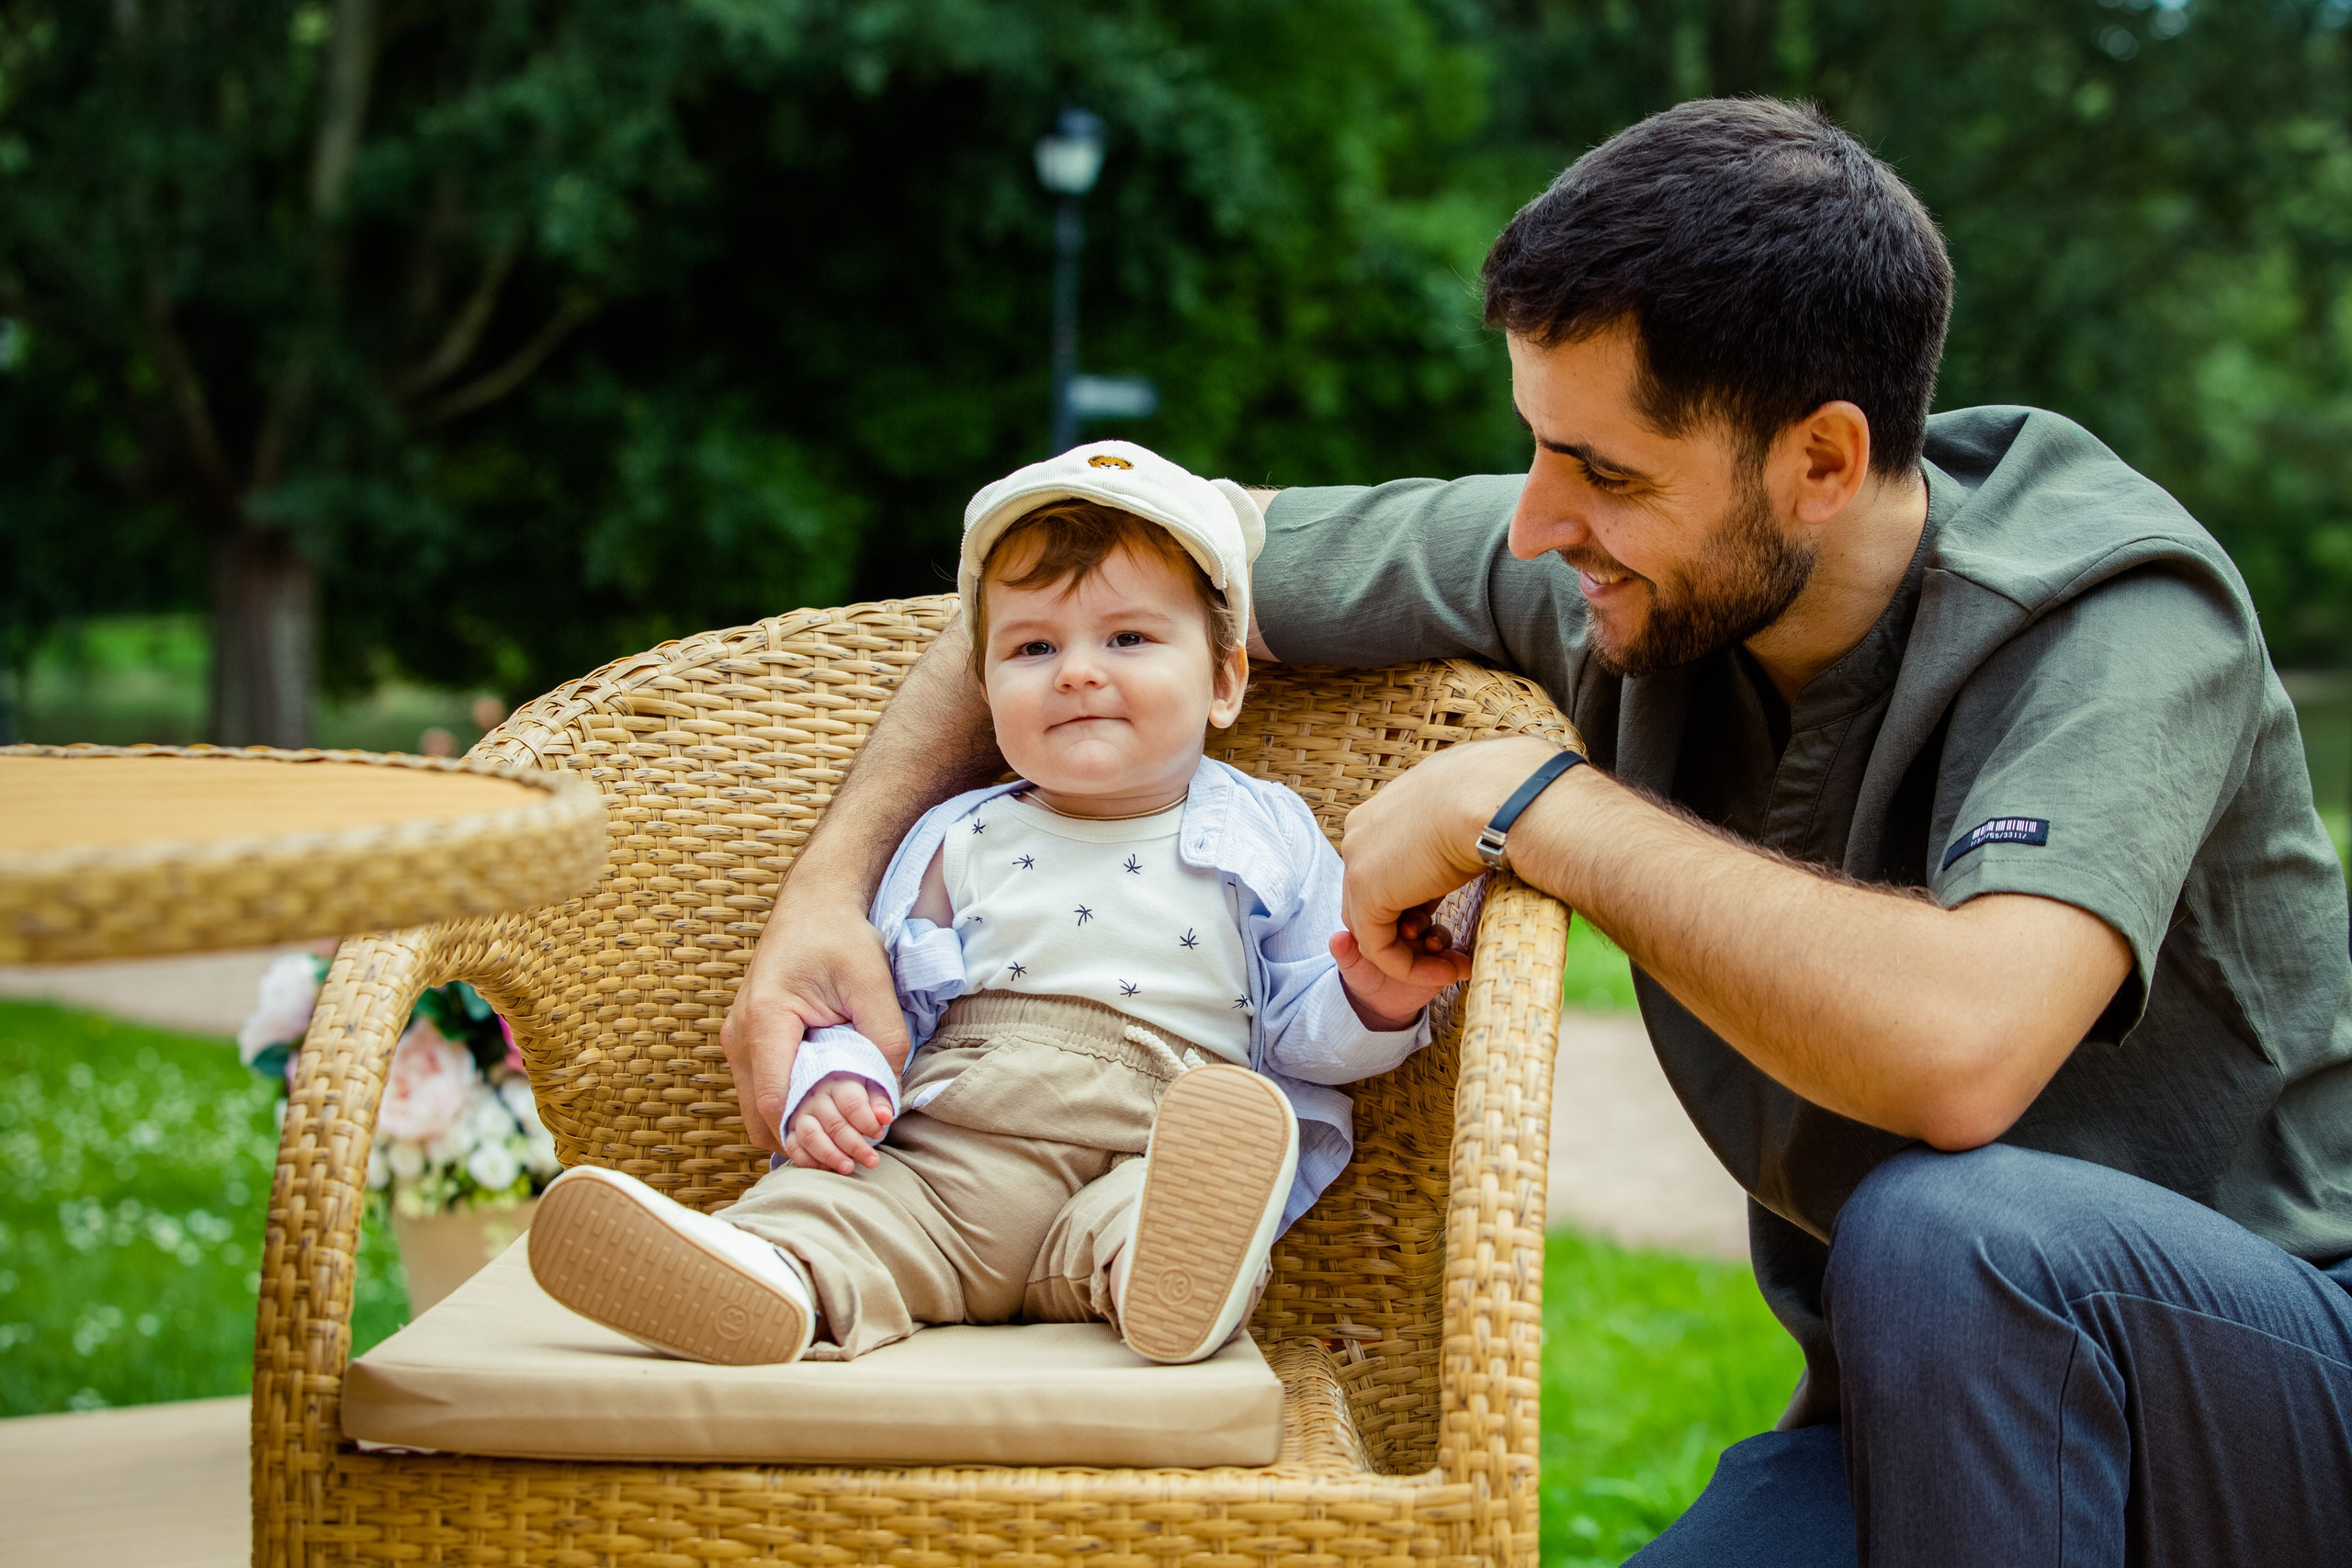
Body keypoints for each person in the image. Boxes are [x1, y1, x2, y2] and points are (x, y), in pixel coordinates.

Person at [727, 97, 2352, 1562]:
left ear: (1821, 463)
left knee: (1958, 1227)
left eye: (1601, 469)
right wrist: (832, 891)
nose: (1531, 521)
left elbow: (1959, 1055)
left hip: (2273, 1414)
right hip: (1915, 1435)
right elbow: (1088, 550)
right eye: (1532, 442)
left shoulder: (2118, 617)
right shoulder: (1601, 564)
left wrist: (1538, 814)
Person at [531, 440, 1454, 1368]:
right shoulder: (957, 837)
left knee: (1182, 1214)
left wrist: (1374, 996)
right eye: (1033, 647)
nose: (1077, 671)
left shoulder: (1267, 833)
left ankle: (1163, 1287)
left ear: (1222, 681)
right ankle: (772, 1276)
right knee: (841, 1207)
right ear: (984, 690)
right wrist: (834, 1084)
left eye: (1127, 638)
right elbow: (882, 999)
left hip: (1157, 1148)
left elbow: (1304, 1036)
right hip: (951, 1160)